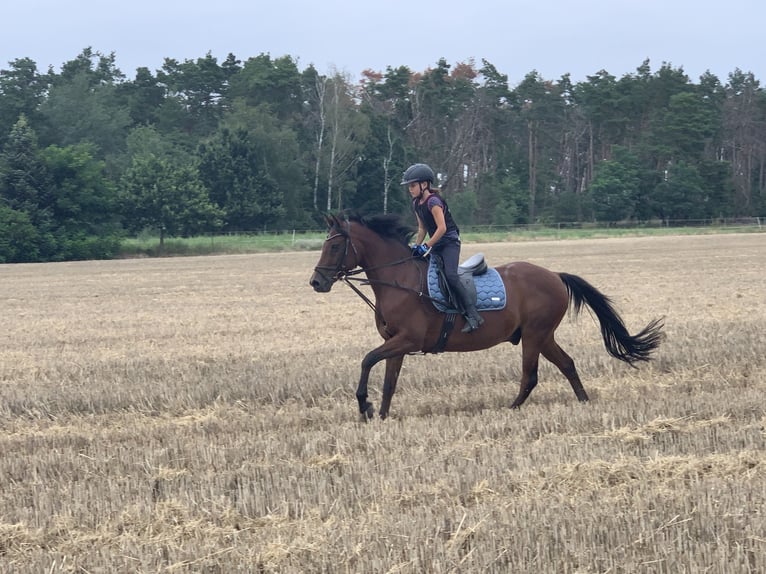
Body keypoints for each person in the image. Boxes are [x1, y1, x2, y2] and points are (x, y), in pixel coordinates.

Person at [401, 163, 484, 333]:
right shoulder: (416, 203)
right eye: (409, 186)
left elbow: (442, 228)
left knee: (451, 276)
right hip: (437, 243)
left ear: (424, 184)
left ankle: (473, 315)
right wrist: (416, 247)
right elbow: (423, 228)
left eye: (413, 185)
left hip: (450, 243)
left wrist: (426, 246)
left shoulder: (434, 201)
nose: (410, 189)